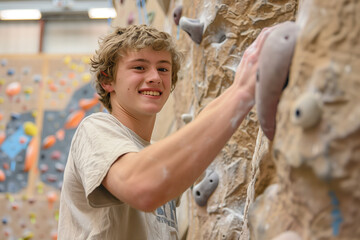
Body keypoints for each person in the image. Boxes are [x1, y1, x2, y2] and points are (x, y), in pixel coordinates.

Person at [58, 24, 273, 239]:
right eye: (139, 67)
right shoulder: (95, 129)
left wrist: (242, 86)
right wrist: (242, 92)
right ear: (107, 80)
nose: (155, 77)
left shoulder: (150, 157)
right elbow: (142, 188)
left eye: (163, 69)